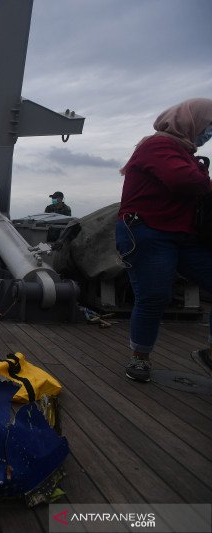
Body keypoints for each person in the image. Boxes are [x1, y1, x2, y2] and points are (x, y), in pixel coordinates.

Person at [116, 97, 212, 382]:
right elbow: (183, 182)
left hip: (182, 235)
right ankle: (140, 358)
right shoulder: (158, 145)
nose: (209, 133)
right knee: (154, 295)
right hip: (148, 232)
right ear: (192, 120)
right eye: (209, 126)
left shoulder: (184, 152)